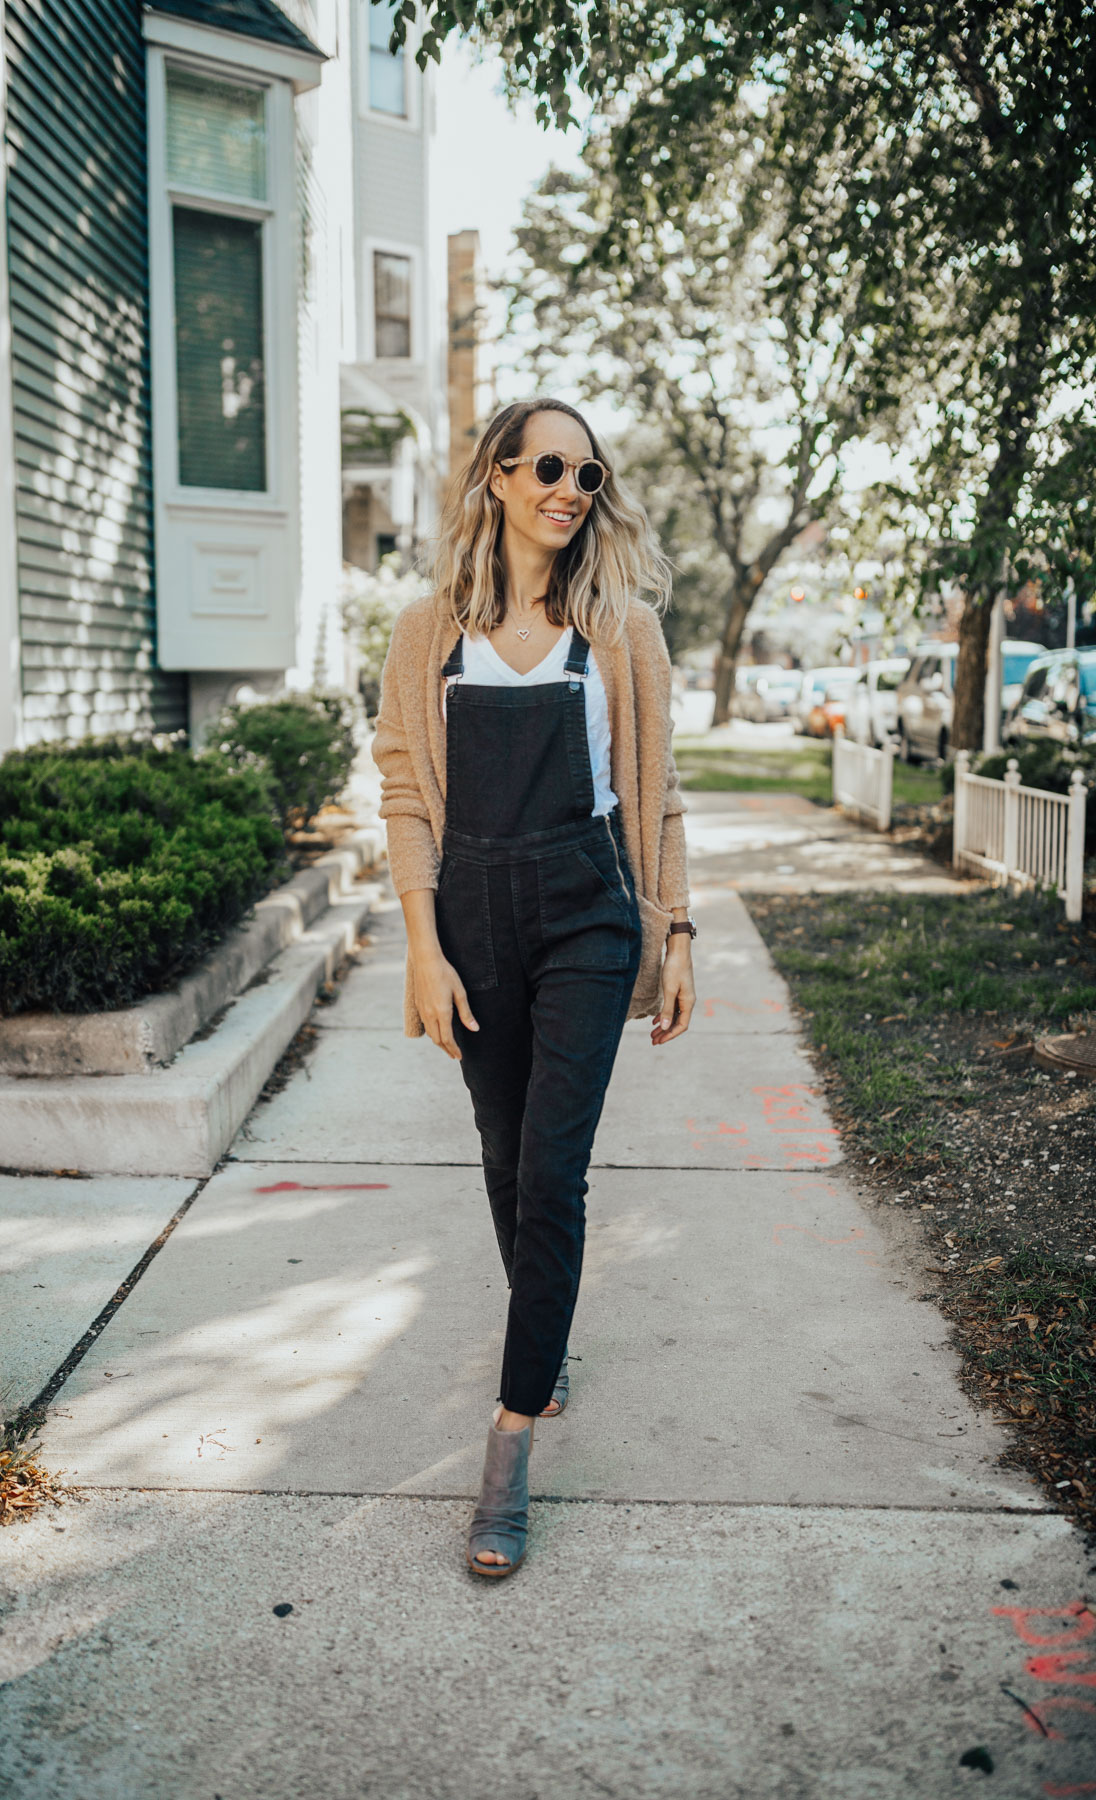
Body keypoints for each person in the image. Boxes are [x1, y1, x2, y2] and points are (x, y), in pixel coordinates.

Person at [373, 398, 696, 1577]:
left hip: (590, 916)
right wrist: (422, 944)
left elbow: (657, 796)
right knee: (504, 1160)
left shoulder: (623, 630)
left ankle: (507, 1447)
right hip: (472, 919)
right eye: (550, 466)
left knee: (553, 1172)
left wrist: (679, 931)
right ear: (500, 476)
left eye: (589, 472)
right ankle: (542, 1335)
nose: (573, 487)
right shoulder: (429, 632)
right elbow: (408, 796)